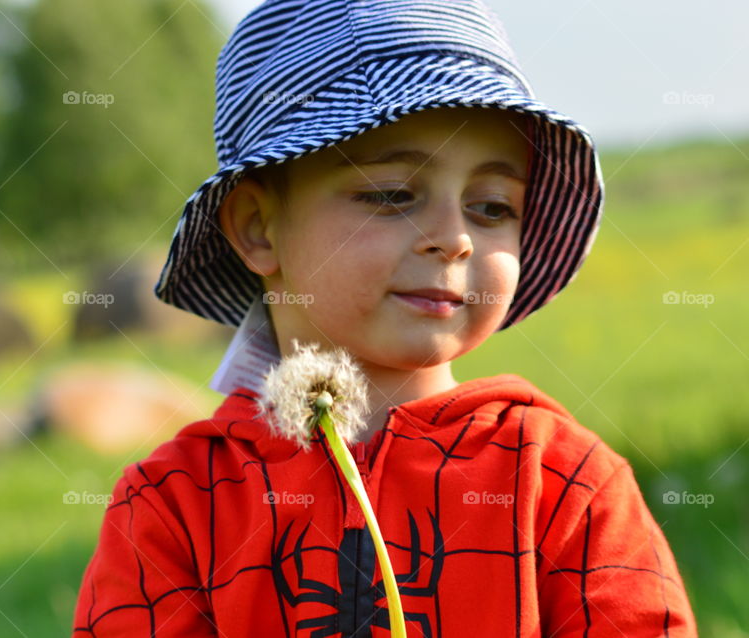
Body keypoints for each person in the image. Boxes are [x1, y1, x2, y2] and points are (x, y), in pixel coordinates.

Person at [72, 1, 699, 635]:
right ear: (259, 227)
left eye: (490, 207)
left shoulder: (562, 482)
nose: (453, 239)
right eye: (393, 195)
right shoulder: (173, 508)